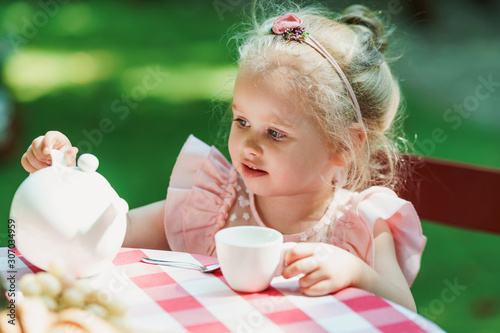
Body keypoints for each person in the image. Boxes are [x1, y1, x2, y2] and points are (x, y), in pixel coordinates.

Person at [20, 3, 426, 311]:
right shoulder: (215, 201)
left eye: (276, 134)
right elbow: (115, 231)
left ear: (344, 147)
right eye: (242, 120)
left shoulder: (360, 228)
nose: (250, 145)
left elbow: (409, 315)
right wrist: (67, 182)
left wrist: (357, 274)